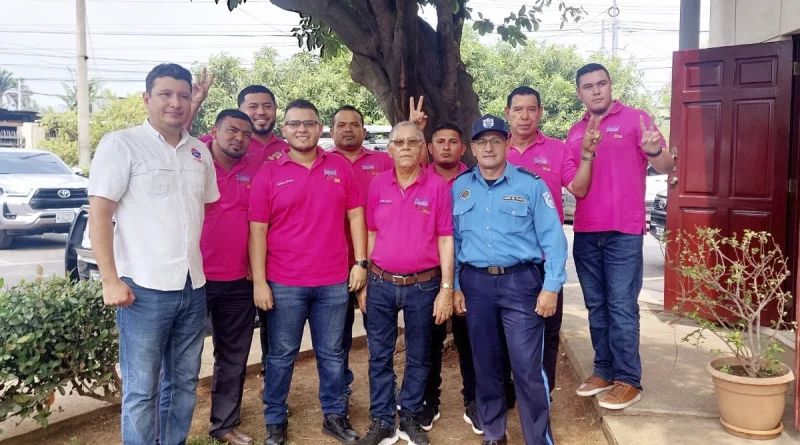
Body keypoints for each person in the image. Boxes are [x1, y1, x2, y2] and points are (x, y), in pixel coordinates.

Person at [88, 63, 220, 445]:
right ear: (147, 98)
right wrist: (110, 280)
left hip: (192, 288)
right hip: (142, 291)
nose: (175, 103)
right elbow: (100, 215)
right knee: (142, 391)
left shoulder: (198, 152)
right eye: (165, 94)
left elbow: (203, 207)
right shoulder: (121, 144)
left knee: (183, 384)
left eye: (183, 95)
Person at [248, 99, 367, 445]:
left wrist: (360, 263)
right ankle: (274, 419)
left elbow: (356, 216)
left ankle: (334, 415)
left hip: (333, 280)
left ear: (320, 129)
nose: (302, 129)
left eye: (309, 123)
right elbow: (257, 230)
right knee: (281, 355)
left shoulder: (340, 168)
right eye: (295, 123)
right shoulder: (269, 172)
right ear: (284, 130)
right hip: (283, 282)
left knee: (332, 353)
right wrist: (259, 282)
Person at [452, 115, 567, 445]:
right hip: (476, 285)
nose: (488, 148)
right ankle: (493, 433)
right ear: (472, 148)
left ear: (507, 144)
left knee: (527, 368)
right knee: (485, 365)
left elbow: (554, 240)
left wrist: (551, 287)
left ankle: (538, 438)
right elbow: (455, 242)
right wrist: (456, 287)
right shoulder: (460, 188)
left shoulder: (530, 184)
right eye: (481, 142)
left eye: (496, 141)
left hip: (521, 283)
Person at [567, 63, 674, 410]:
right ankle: (603, 370)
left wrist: (655, 150)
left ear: (611, 86)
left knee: (622, 307)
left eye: (602, 83)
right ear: (580, 93)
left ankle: (629, 379)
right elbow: (576, 185)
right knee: (596, 307)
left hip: (623, 231)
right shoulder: (573, 132)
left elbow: (667, 166)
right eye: (588, 86)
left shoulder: (636, 120)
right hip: (585, 230)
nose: (596, 90)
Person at [356, 121, 454, 445]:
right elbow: (370, 233)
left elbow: (446, 239)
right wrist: (367, 281)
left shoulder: (438, 187)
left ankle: (410, 416)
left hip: (424, 286)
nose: (406, 147)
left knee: (420, 354)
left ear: (424, 148)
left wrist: (447, 289)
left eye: (413, 141)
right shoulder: (378, 186)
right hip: (381, 282)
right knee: (379, 354)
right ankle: (382, 419)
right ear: (390, 149)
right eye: (399, 142)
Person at [505, 86, 596, 399]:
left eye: (531, 109)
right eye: (518, 109)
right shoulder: (495, 150)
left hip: (546, 259)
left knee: (547, 329)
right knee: (504, 329)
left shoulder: (557, 149)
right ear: (508, 114)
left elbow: (579, 189)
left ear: (540, 113)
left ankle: (541, 393)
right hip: (505, 260)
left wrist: (586, 156)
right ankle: (508, 390)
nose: (525, 116)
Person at [200, 109, 260, 445]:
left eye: (245, 133)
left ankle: (224, 425)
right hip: (194, 278)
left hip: (240, 279)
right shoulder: (195, 158)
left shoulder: (255, 167)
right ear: (214, 131)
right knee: (182, 354)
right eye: (231, 130)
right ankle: (162, 424)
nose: (238, 137)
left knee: (233, 355)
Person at [418, 122, 482, 435]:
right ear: (429, 148)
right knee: (428, 342)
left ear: (463, 148)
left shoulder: (476, 179)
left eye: (452, 141)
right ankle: (429, 400)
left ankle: (474, 400)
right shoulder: (419, 179)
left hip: (467, 275)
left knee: (469, 340)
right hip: (429, 274)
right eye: (439, 141)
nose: (446, 146)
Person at [327, 105, 394, 404]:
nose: (348, 129)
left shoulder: (382, 160)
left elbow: (415, 168)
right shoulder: (322, 161)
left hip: (377, 261)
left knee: (378, 334)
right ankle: (340, 391)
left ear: (364, 131)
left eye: (355, 124)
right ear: (331, 131)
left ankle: (384, 395)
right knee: (336, 336)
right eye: (341, 124)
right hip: (333, 262)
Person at [186, 73, 290, 164]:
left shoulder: (287, 150)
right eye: (253, 107)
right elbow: (178, 143)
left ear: (275, 108)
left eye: (267, 106)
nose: (261, 112)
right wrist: (195, 104)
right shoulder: (219, 141)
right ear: (239, 110)